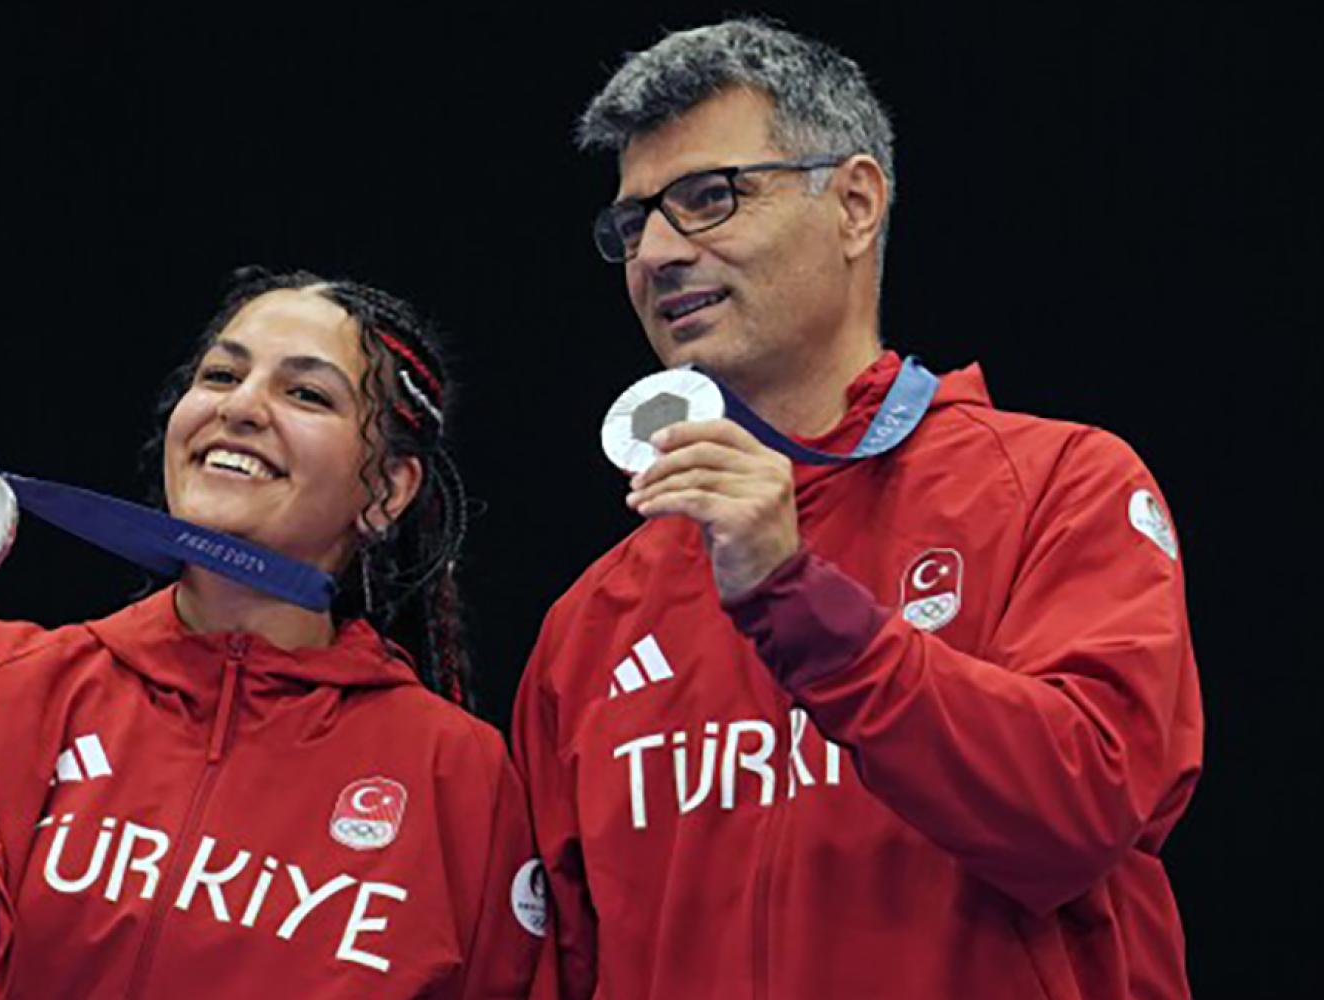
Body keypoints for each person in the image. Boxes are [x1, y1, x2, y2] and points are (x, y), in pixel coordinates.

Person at [512, 19, 1200, 1000]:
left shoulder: (1061, 485)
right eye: (633, 223)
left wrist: (798, 603)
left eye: (708, 198)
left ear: (853, 203)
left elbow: (1083, 809)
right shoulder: (591, 621)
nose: (657, 252)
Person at [0, 269, 543, 998]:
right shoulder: (5, 684)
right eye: (222, 374)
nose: (242, 407)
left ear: (387, 491)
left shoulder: (457, 775)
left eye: (307, 393)